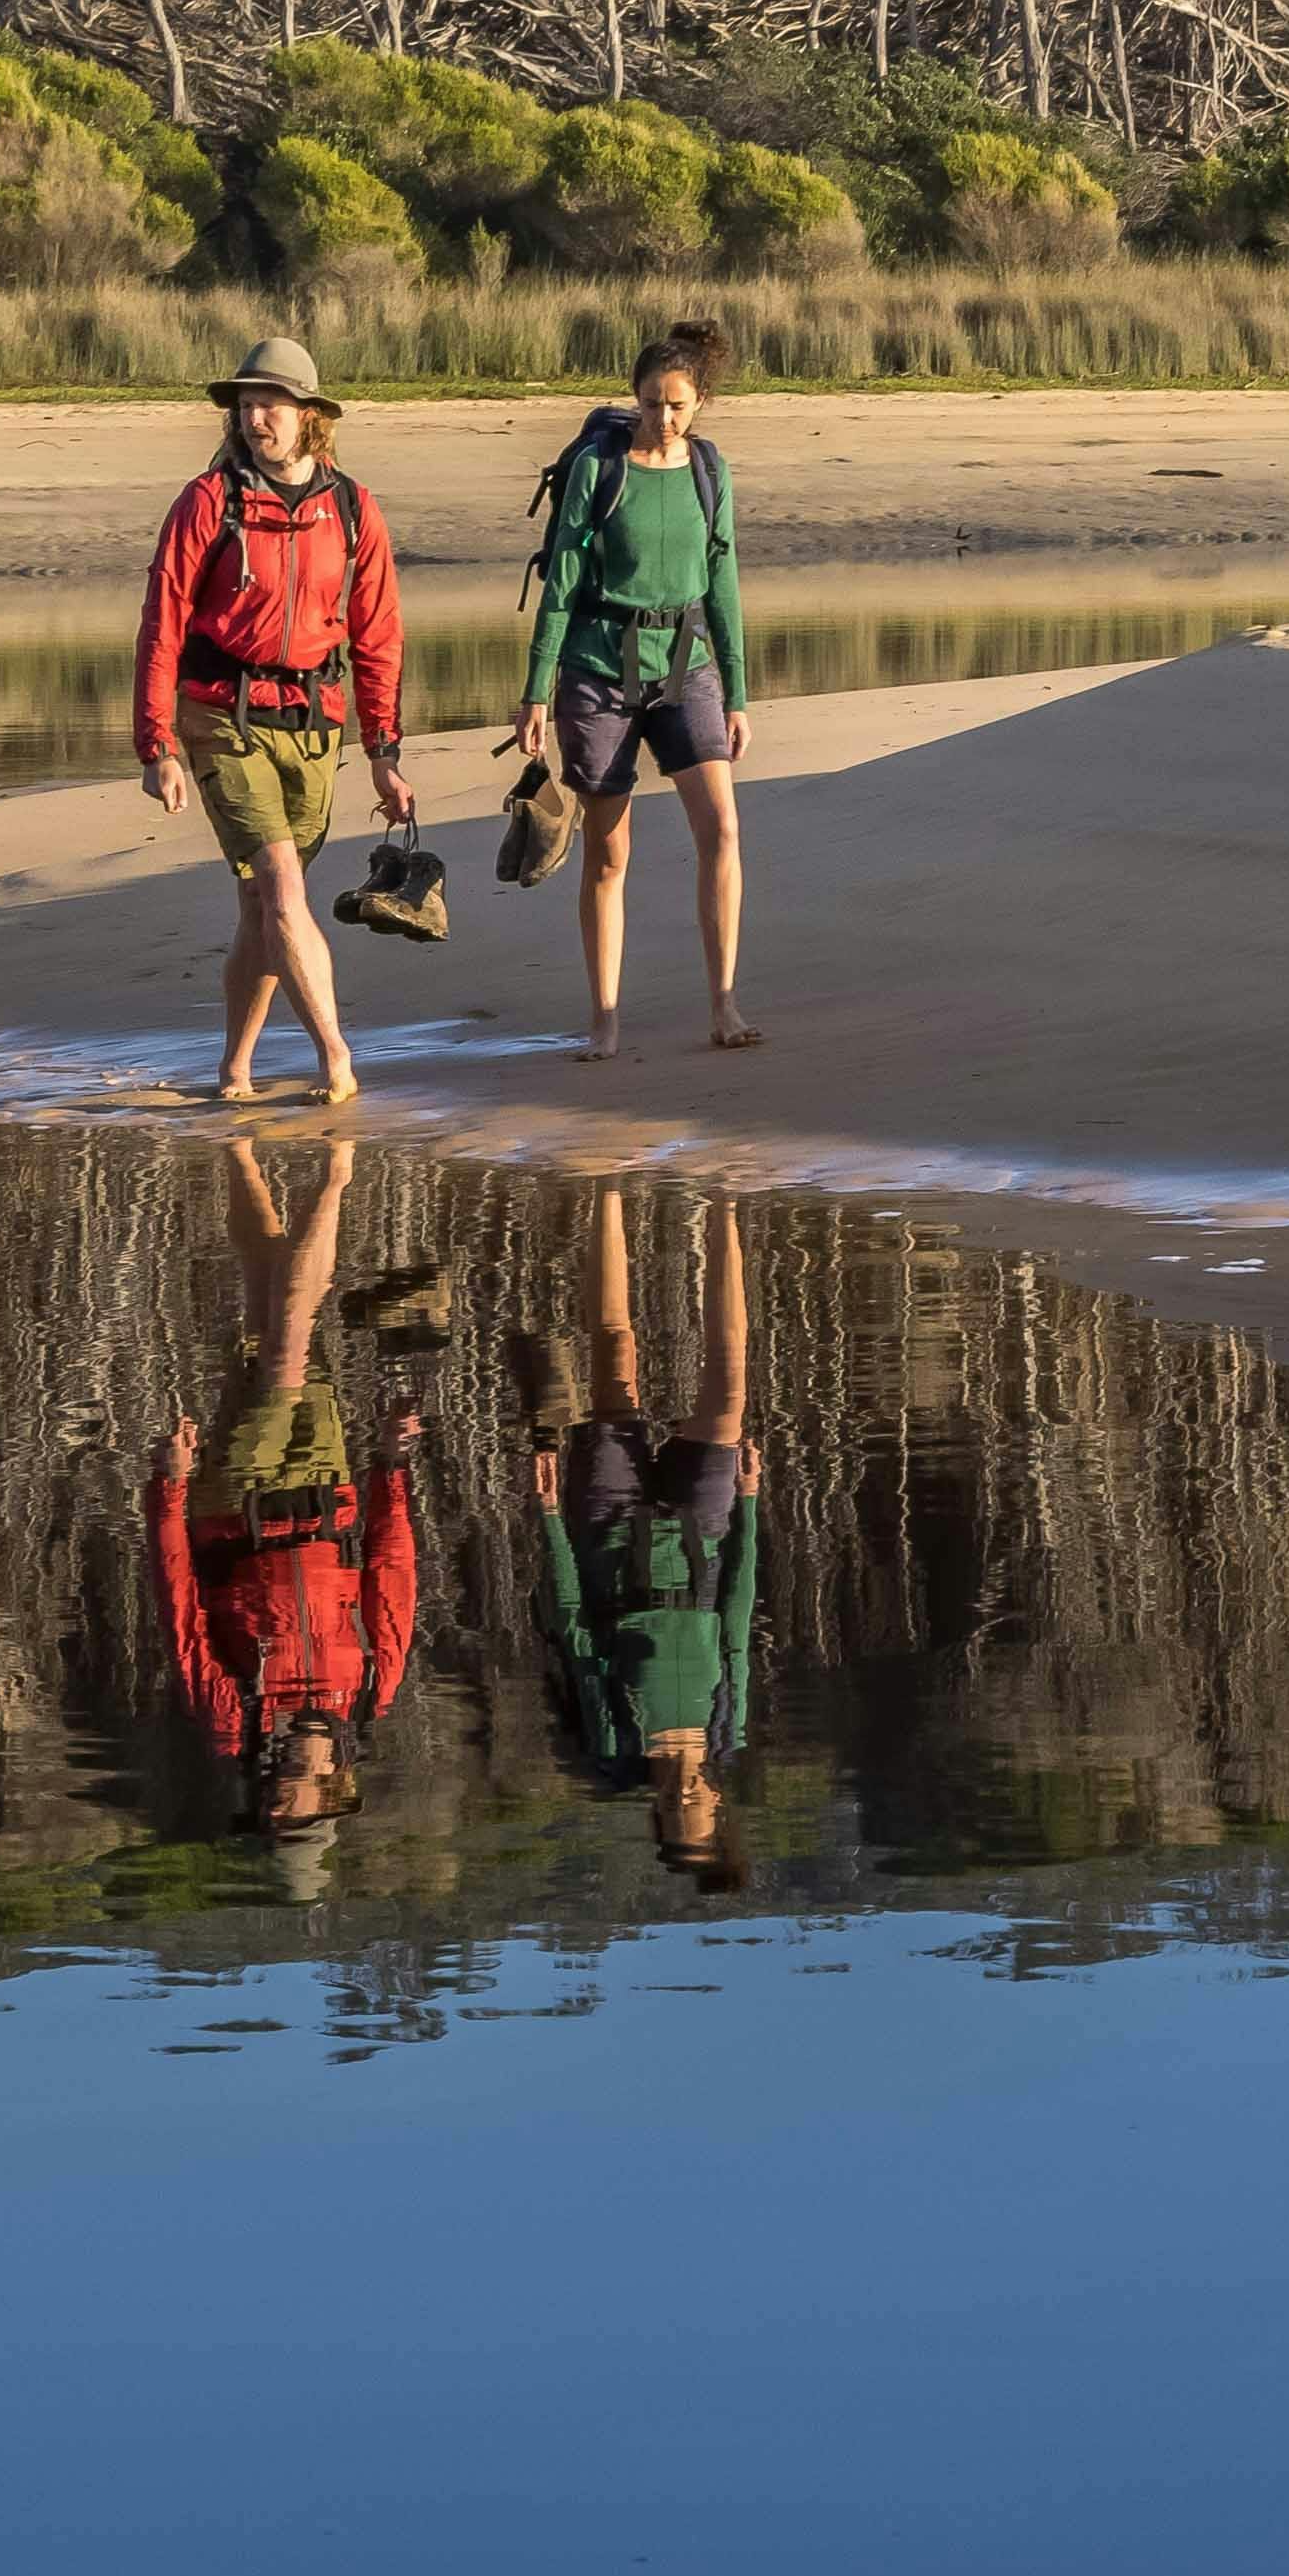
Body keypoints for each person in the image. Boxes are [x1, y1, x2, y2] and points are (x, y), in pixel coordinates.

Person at [136, 333, 413, 1106]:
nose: (256, 418)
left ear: (309, 419)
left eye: (272, 405)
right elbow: (162, 623)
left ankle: (233, 1071)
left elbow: (379, 633)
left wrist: (383, 750)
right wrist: (156, 742)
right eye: (247, 405)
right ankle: (336, 1058)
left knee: (261, 904)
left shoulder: (353, 508)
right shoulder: (206, 502)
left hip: (316, 723)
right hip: (222, 717)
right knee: (284, 886)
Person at [152, 1138, 424, 1880]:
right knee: (267, 1310)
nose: (275, 1806)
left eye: (270, 1818)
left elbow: (180, 1607)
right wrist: (391, 1466)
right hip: (329, 1493)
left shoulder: (233, 1722)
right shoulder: (372, 1692)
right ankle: (238, 1152)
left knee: (286, 1346)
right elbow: (392, 1578)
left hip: (233, 1503)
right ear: (333, 1795)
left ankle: (336, 1170)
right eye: (293, 1820)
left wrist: (169, 1489)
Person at [513, 321, 756, 1059]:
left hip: (687, 662)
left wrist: (738, 692)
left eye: (676, 404)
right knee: (608, 854)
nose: (662, 418)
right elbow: (559, 587)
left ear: (700, 402)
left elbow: (723, 584)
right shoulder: (598, 469)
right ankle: (605, 1020)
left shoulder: (709, 471)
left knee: (721, 830)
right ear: (635, 399)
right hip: (597, 667)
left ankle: (724, 1007)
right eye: (650, 403)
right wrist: (534, 692)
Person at [529, 1183, 762, 1891]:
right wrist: (751, 1506)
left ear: (655, 1815)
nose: (681, 1795)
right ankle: (724, 1205)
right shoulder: (727, 1728)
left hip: (606, 1535)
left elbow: (573, 1630)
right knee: (728, 1388)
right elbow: (736, 1623)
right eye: (695, 1805)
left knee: (615, 1360)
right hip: (703, 1540)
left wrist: (547, 1521)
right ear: (718, 1804)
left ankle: (607, 1188)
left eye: (670, 1809)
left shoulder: (612, 1739)